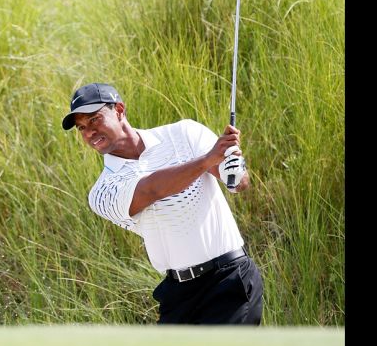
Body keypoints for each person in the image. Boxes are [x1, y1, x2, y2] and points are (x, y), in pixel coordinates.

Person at [62, 82, 263, 324]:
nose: (88, 133)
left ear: (119, 110)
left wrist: (234, 168)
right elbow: (151, 189)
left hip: (229, 280)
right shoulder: (103, 191)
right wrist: (207, 159)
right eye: (81, 128)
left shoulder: (185, 133)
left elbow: (237, 183)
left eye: (94, 120)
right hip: (178, 295)